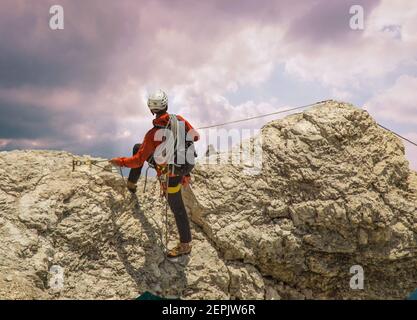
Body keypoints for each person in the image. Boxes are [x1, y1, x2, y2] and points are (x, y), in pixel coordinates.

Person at [109, 90, 199, 258]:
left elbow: (137, 161)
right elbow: (196, 137)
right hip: (184, 166)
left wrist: (120, 161)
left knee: (177, 207)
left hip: (171, 172)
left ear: (151, 110)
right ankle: (132, 184)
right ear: (166, 105)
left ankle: (185, 245)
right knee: (137, 146)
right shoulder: (179, 120)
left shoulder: (152, 135)